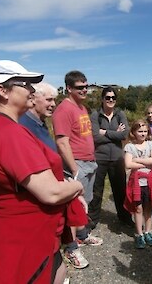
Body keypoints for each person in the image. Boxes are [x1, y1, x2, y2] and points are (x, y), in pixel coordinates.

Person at [0, 60, 84, 284]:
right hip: (28, 238)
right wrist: (77, 187)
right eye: (25, 84)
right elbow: (51, 193)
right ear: (2, 90)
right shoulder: (11, 134)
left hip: (10, 232)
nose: (31, 90)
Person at [19, 81, 90, 269]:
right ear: (33, 99)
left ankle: (69, 248)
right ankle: (70, 249)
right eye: (49, 99)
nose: (53, 104)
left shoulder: (40, 123)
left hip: (54, 187)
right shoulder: (23, 125)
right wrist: (73, 185)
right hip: (37, 201)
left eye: (54, 100)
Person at [52, 70, 103, 268]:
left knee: (85, 203)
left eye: (86, 86)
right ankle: (71, 248)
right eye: (80, 87)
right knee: (73, 208)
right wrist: (74, 171)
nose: (85, 90)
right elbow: (62, 142)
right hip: (76, 165)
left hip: (89, 162)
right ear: (69, 88)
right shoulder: (63, 110)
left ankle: (82, 235)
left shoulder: (81, 108)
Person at [89, 87, 133, 228]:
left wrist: (105, 132)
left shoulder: (120, 114)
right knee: (97, 190)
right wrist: (114, 133)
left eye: (113, 98)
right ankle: (93, 220)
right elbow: (94, 136)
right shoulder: (95, 115)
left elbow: (124, 135)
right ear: (102, 99)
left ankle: (124, 217)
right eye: (108, 97)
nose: (111, 100)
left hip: (117, 158)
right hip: (100, 158)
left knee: (120, 190)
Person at [124, 119, 152, 249]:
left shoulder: (151, 144)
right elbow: (128, 164)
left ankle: (148, 232)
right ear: (134, 132)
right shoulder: (129, 147)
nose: (142, 134)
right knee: (138, 208)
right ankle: (139, 234)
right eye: (140, 131)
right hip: (136, 183)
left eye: (145, 131)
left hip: (149, 182)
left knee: (148, 207)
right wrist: (146, 162)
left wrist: (137, 160)